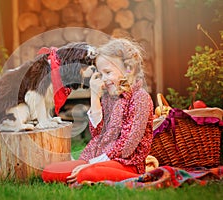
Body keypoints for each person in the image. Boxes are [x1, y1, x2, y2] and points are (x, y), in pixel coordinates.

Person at [41, 38, 154, 184]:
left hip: (127, 165)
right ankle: (88, 174)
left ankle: (120, 177)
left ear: (128, 69)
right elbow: (96, 135)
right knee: (50, 172)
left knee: (86, 173)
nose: (104, 79)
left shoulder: (140, 98)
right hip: (99, 160)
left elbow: (127, 146)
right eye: (100, 74)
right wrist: (94, 97)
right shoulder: (108, 97)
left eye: (108, 72)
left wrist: (91, 164)